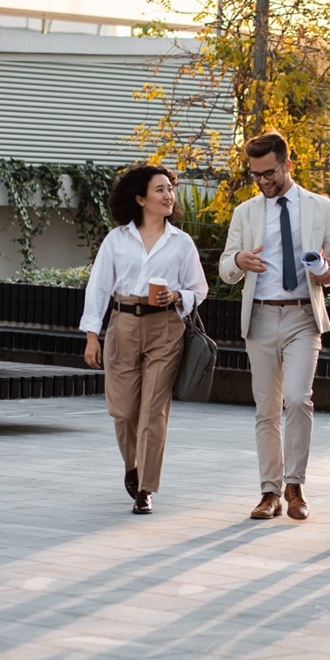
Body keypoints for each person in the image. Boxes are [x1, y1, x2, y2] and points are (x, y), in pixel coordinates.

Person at [218, 131, 330, 520]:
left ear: (287, 164)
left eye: (269, 173)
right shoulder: (246, 213)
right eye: (255, 175)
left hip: (301, 316)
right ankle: (269, 492)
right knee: (266, 409)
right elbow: (226, 267)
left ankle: (295, 485)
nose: (262, 181)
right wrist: (240, 261)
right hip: (259, 316)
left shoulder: (320, 207)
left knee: (297, 398)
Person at [80, 165, 209, 515]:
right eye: (160, 190)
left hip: (166, 328)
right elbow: (99, 288)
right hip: (122, 324)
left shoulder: (181, 242)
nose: (169, 196)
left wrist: (178, 296)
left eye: (170, 189)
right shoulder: (116, 239)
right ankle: (131, 466)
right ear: (140, 198)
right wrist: (92, 335)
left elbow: (199, 288)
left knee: (154, 410)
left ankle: (146, 488)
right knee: (122, 410)